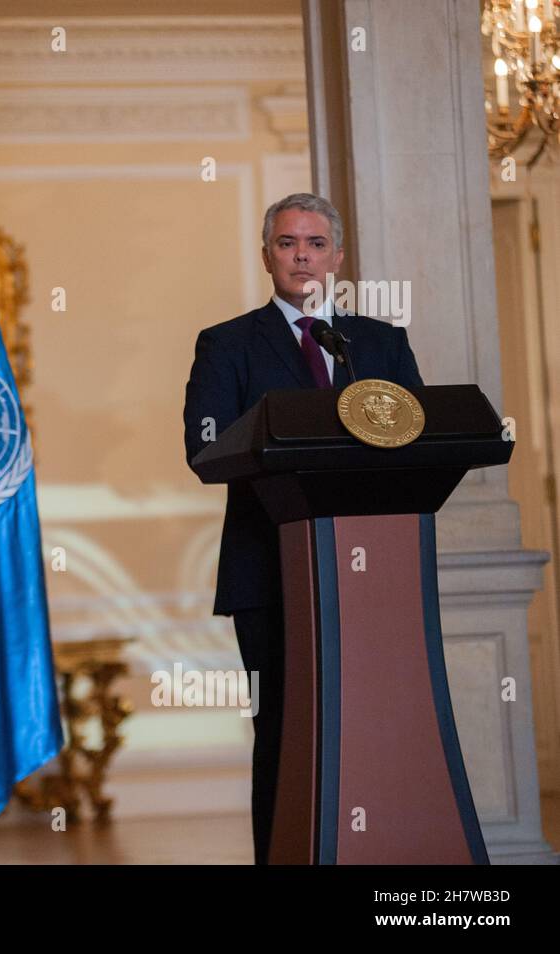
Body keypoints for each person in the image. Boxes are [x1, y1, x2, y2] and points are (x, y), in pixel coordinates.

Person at [181, 193, 423, 864]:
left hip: (376, 569)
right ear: (267, 256)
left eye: (315, 244)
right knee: (287, 732)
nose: (302, 256)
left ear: (337, 257)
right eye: (287, 244)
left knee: (376, 730)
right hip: (271, 571)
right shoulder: (228, 344)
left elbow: (424, 441)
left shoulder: (379, 343)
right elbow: (206, 449)